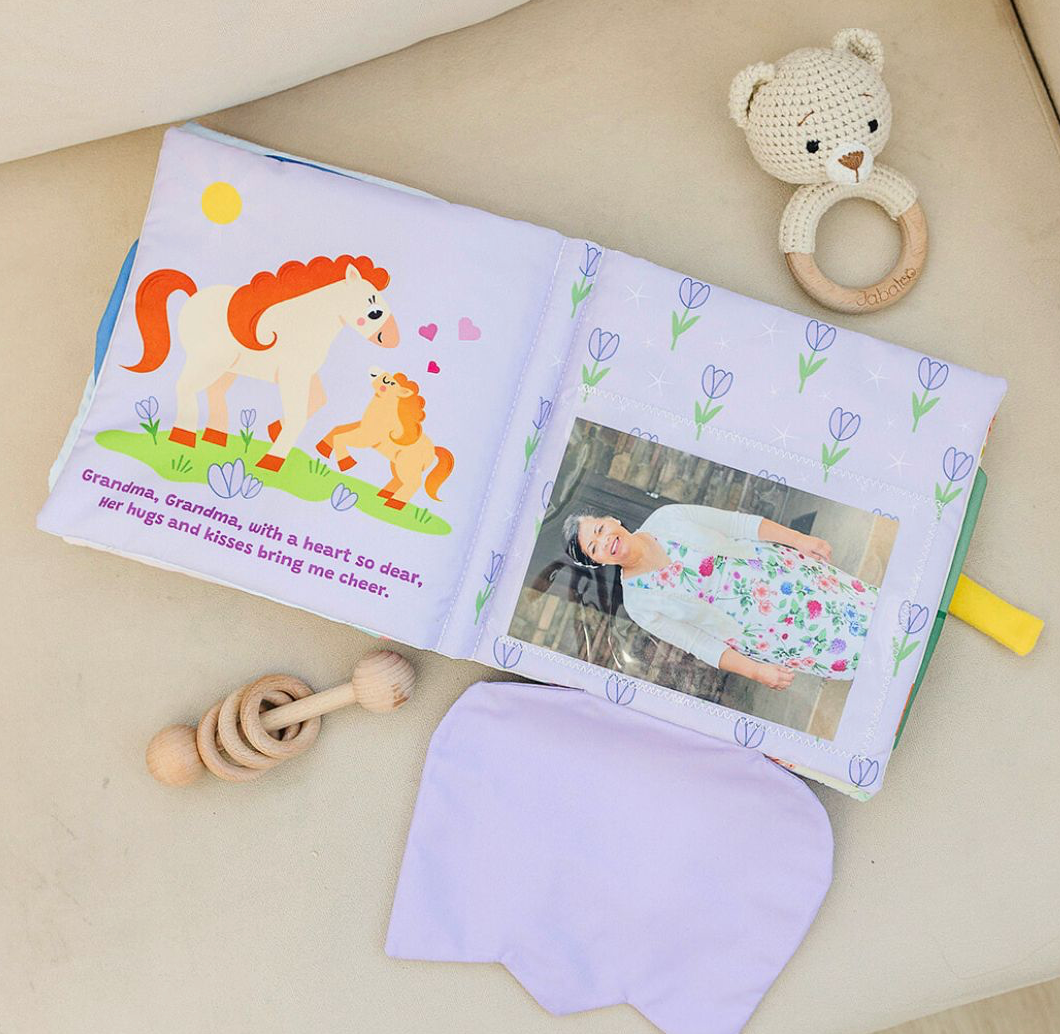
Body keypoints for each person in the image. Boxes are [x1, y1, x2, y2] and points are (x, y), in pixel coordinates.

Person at [562, 505, 878, 690]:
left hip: (785, 575)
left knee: (869, 613)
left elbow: (738, 524)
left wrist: (799, 539)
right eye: (594, 548)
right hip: (767, 633)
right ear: (598, 562)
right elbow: (698, 643)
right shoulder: (638, 604)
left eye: (600, 529)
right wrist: (756, 671)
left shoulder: (667, 517)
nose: (605, 541)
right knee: (855, 656)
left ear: (612, 520)